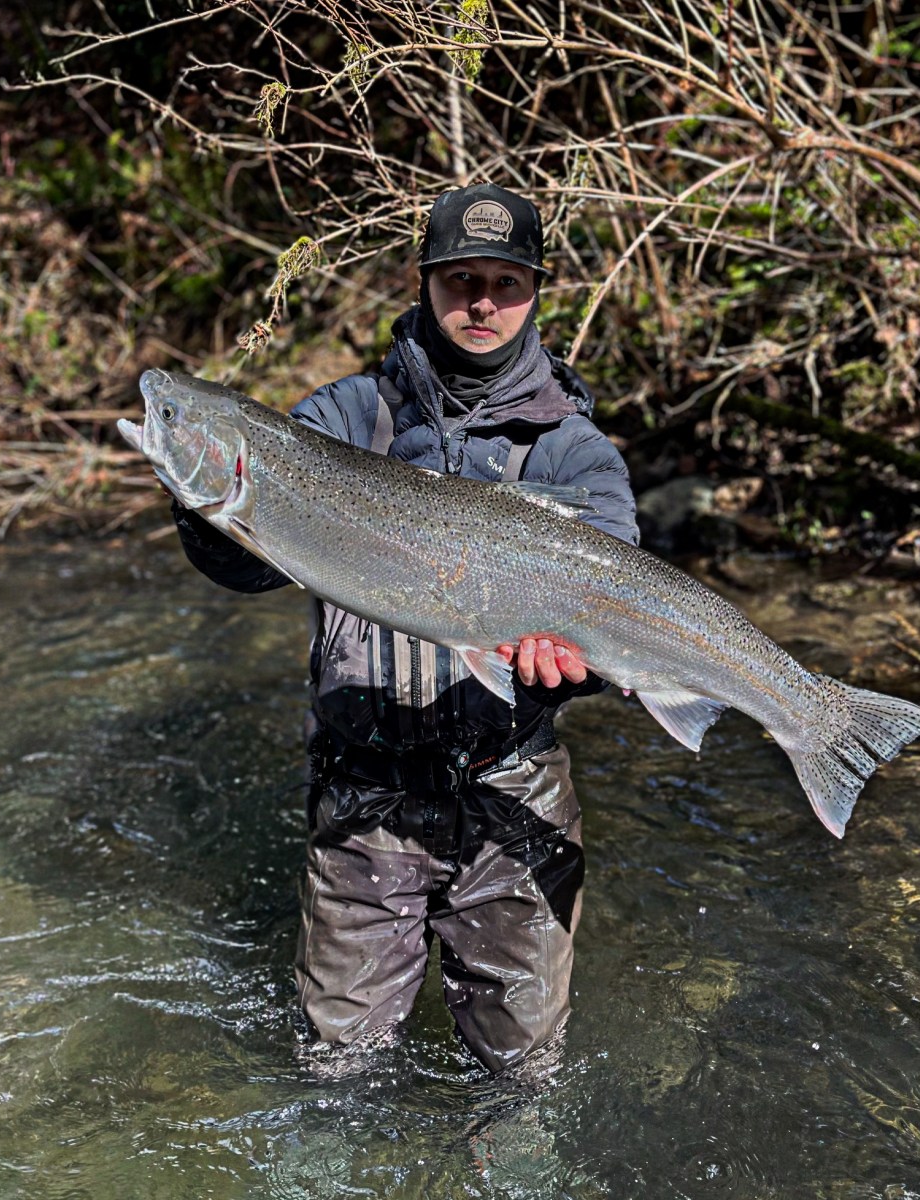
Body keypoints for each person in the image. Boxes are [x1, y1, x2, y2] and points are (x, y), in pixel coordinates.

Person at [170, 183, 639, 1075]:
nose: (483, 302)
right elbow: (246, 564)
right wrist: (206, 504)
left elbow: (609, 632)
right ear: (424, 281)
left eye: (507, 281)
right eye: (462, 278)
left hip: (513, 797)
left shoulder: (576, 452)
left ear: (536, 291)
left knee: (523, 1082)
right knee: (335, 1078)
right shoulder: (346, 419)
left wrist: (565, 669)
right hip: (364, 797)